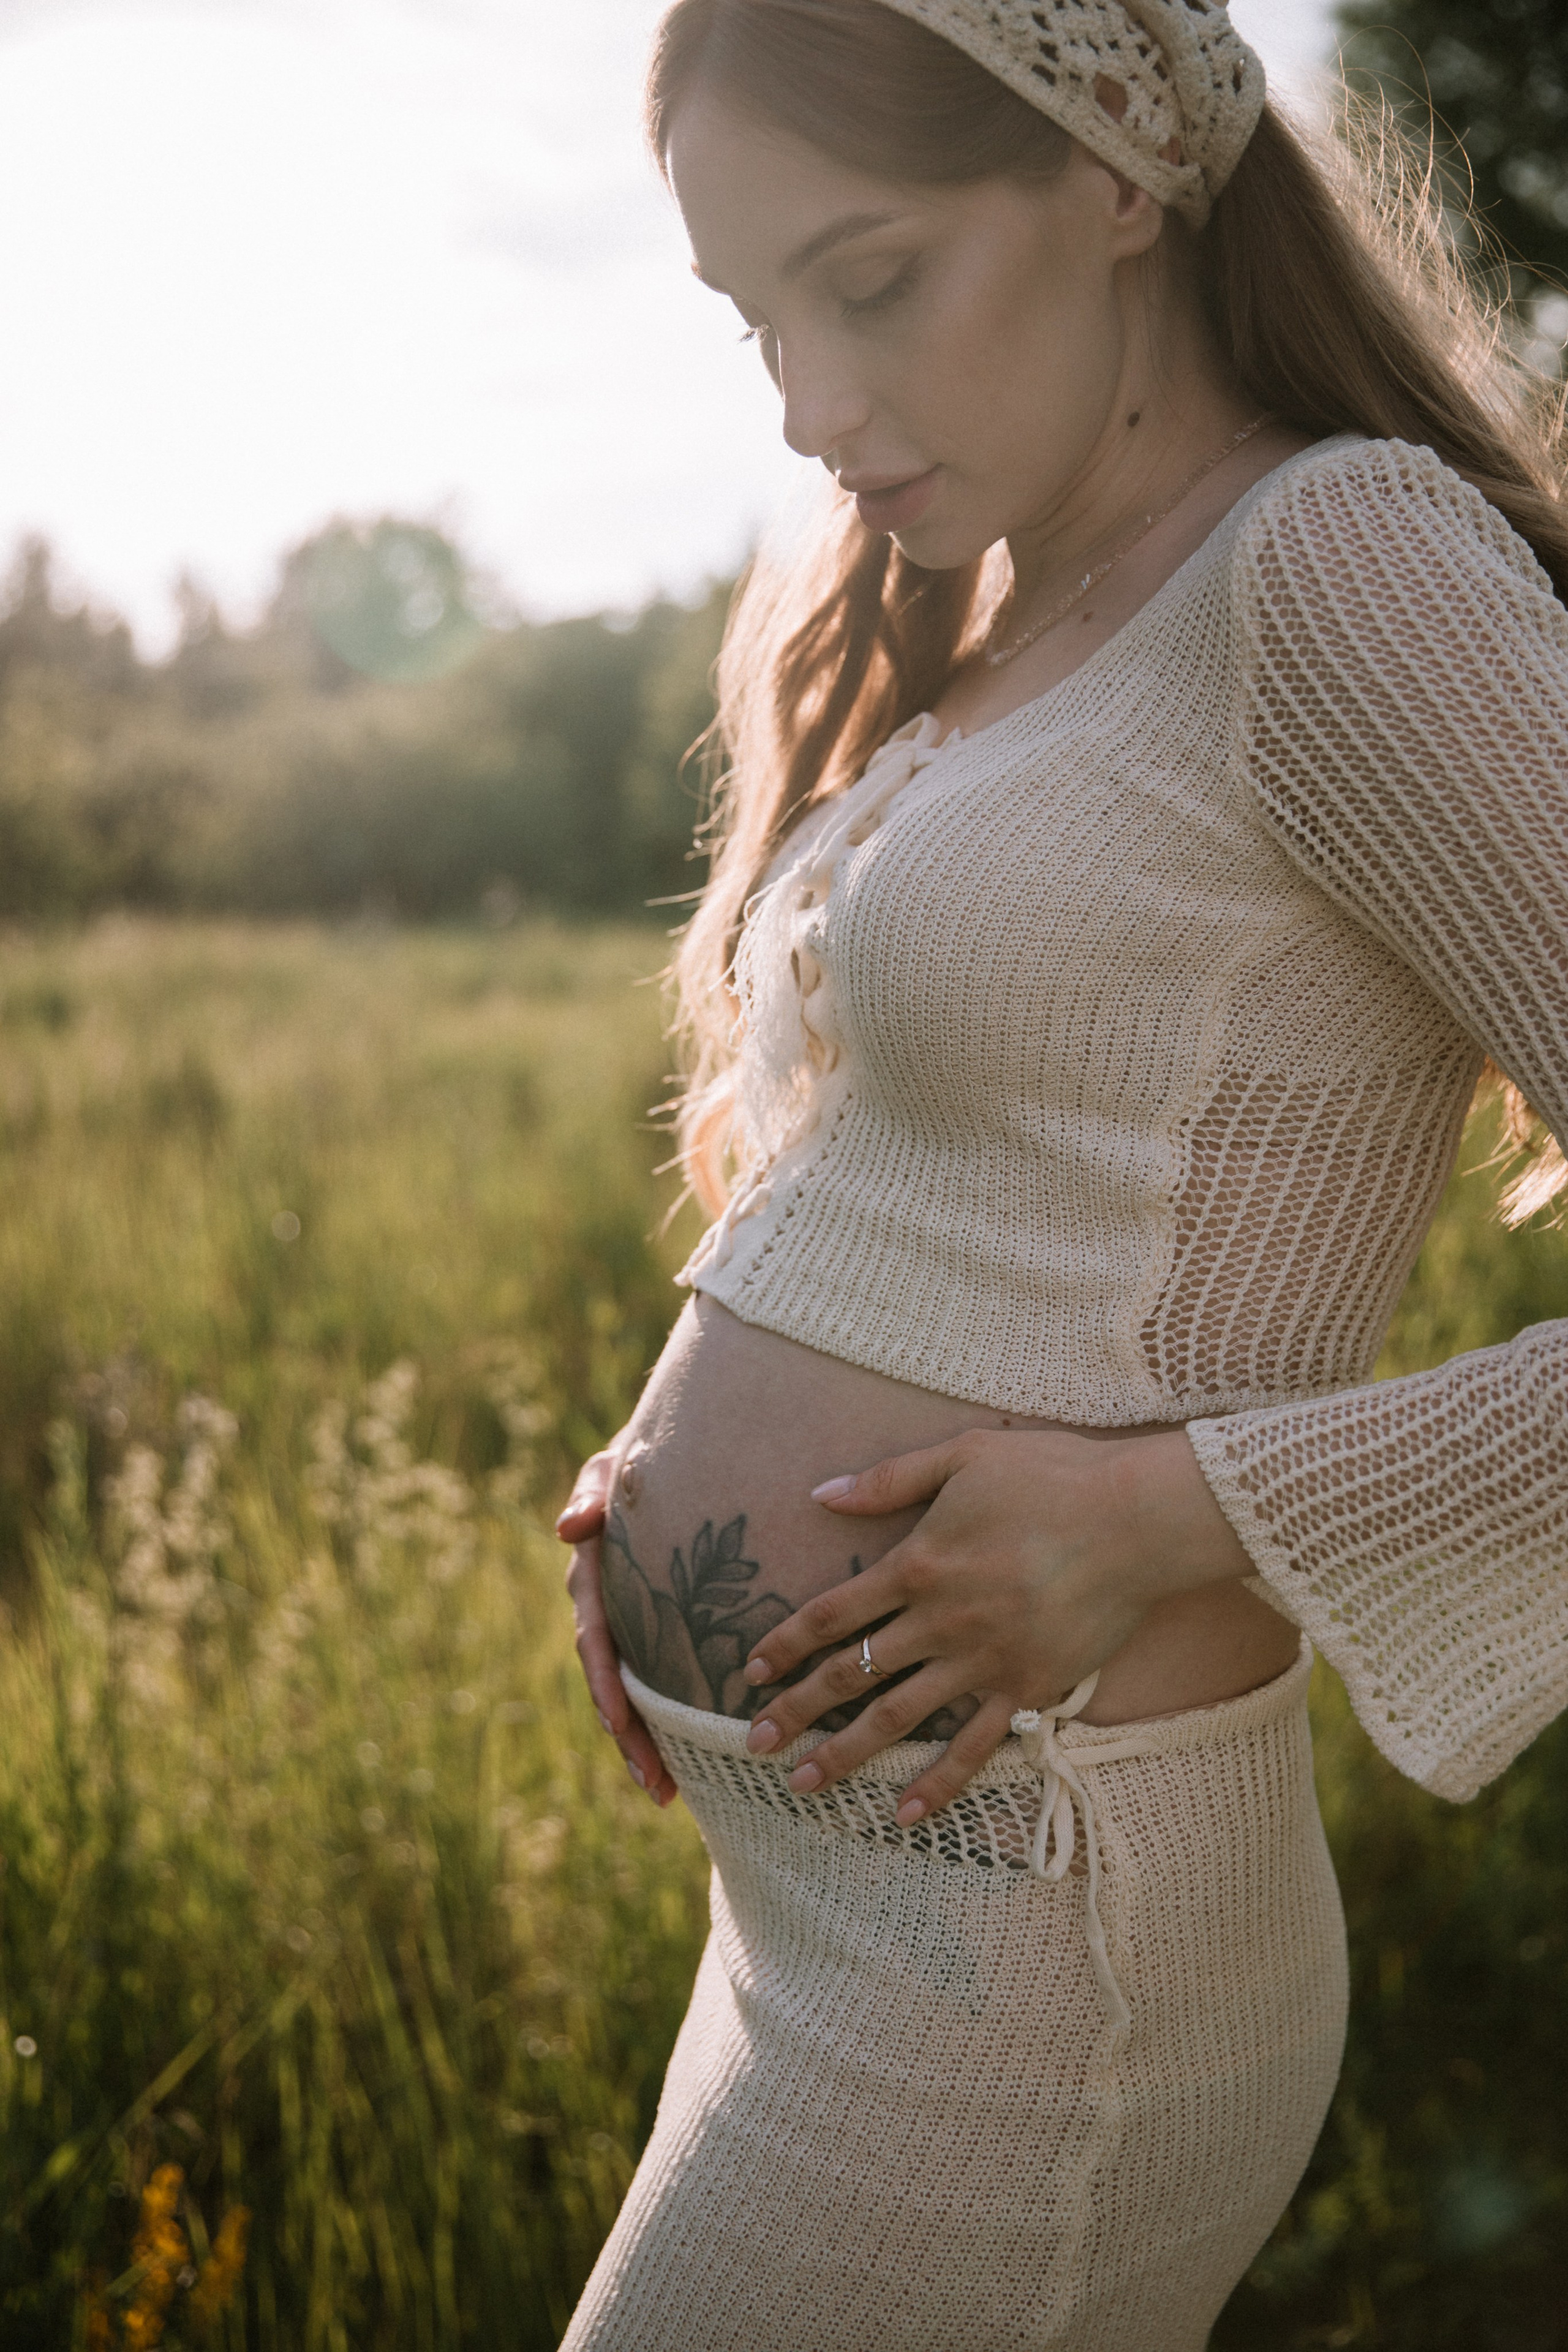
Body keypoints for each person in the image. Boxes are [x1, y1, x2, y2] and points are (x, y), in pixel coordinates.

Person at [555, 2, 1568, 2344]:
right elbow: (960, 1159)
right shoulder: (1006, 608)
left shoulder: (1344, 569)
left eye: (871, 280)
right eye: (758, 321)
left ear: (1114, 171)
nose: (808, 406)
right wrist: (672, 1483)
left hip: (1043, 1974)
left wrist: (1170, 1514)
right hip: (846, 1926)